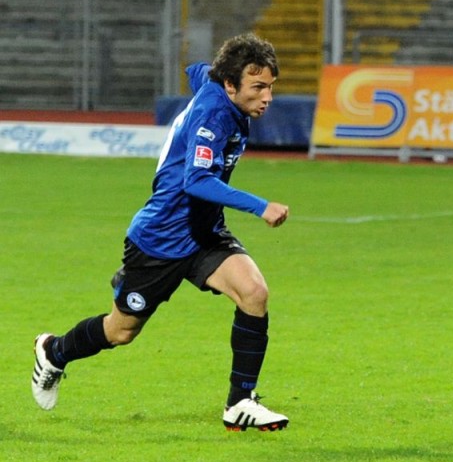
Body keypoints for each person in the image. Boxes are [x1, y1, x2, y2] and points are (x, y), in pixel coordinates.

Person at [31, 33, 291, 432]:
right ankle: (53, 352)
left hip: (203, 233)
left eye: (271, 86)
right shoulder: (214, 116)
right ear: (230, 85)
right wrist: (260, 206)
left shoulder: (215, 82)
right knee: (120, 332)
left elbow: (197, 70)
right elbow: (196, 182)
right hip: (159, 240)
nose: (267, 96)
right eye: (258, 87)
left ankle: (240, 402)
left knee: (254, 292)